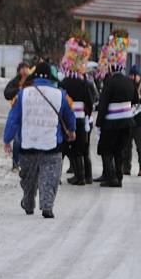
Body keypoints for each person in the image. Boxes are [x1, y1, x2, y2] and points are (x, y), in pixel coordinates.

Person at [4, 61, 76, 218]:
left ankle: (28, 201)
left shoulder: (23, 94)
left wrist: (7, 139)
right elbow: (69, 116)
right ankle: (47, 205)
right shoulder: (60, 94)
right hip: (52, 145)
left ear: (34, 76)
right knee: (50, 176)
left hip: (28, 144)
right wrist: (72, 131)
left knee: (28, 177)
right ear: (51, 78)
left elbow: (13, 118)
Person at [95, 33, 137, 188]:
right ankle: (119, 177)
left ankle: (110, 177)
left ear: (112, 66)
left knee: (106, 150)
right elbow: (136, 100)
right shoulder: (129, 81)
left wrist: (99, 122)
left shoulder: (110, 82)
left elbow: (103, 104)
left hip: (111, 122)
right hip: (127, 122)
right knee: (119, 150)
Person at [59, 38, 97, 185]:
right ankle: (88, 176)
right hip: (83, 118)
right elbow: (90, 101)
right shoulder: (85, 81)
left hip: (69, 118)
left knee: (72, 149)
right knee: (84, 148)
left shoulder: (65, 82)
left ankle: (79, 176)